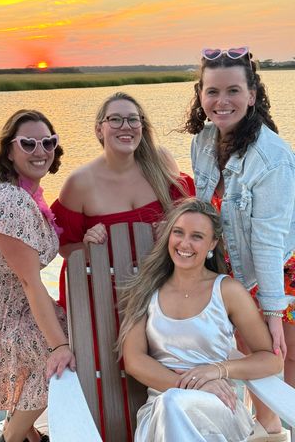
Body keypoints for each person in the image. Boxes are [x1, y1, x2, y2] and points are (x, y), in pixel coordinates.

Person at [181, 47, 295, 438]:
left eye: (233, 90)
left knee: (284, 355)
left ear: (252, 94)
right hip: (235, 271)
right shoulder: (203, 141)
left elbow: (267, 240)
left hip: (281, 271)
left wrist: (273, 311)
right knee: (252, 354)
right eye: (212, 92)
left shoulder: (272, 158)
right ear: (200, 94)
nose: (221, 101)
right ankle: (268, 429)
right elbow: (204, 205)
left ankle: (279, 430)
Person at [117, 198, 283, 442]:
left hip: (217, 408)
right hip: (161, 407)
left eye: (197, 236)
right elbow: (134, 360)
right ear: (168, 237)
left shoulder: (227, 291)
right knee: (170, 403)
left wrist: (218, 370)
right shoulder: (146, 290)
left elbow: (271, 361)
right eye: (178, 233)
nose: (185, 243)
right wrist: (190, 384)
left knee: (172, 403)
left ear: (212, 244)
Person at [0, 110, 75, 442]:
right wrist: (59, 345)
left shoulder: (28, 195)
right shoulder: (7, 202)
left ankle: (27, 434)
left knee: (71, 337)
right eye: (28, 143)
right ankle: (13, 436)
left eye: (48, 142)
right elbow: (29, 280)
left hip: (14, 303)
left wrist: (86, 239)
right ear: (9, 151)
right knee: (60, 355)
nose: (41, 151)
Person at [51, 91, 195, 311]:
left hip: (161, 293)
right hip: (102, 299)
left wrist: (172, 231)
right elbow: (64, 248)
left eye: (132, 119)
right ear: (100, 129)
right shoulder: (79, 183)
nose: (125, 126)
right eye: (115, 119)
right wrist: (90, 247)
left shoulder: (161, 162)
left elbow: (193, 220)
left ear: (141, 126)